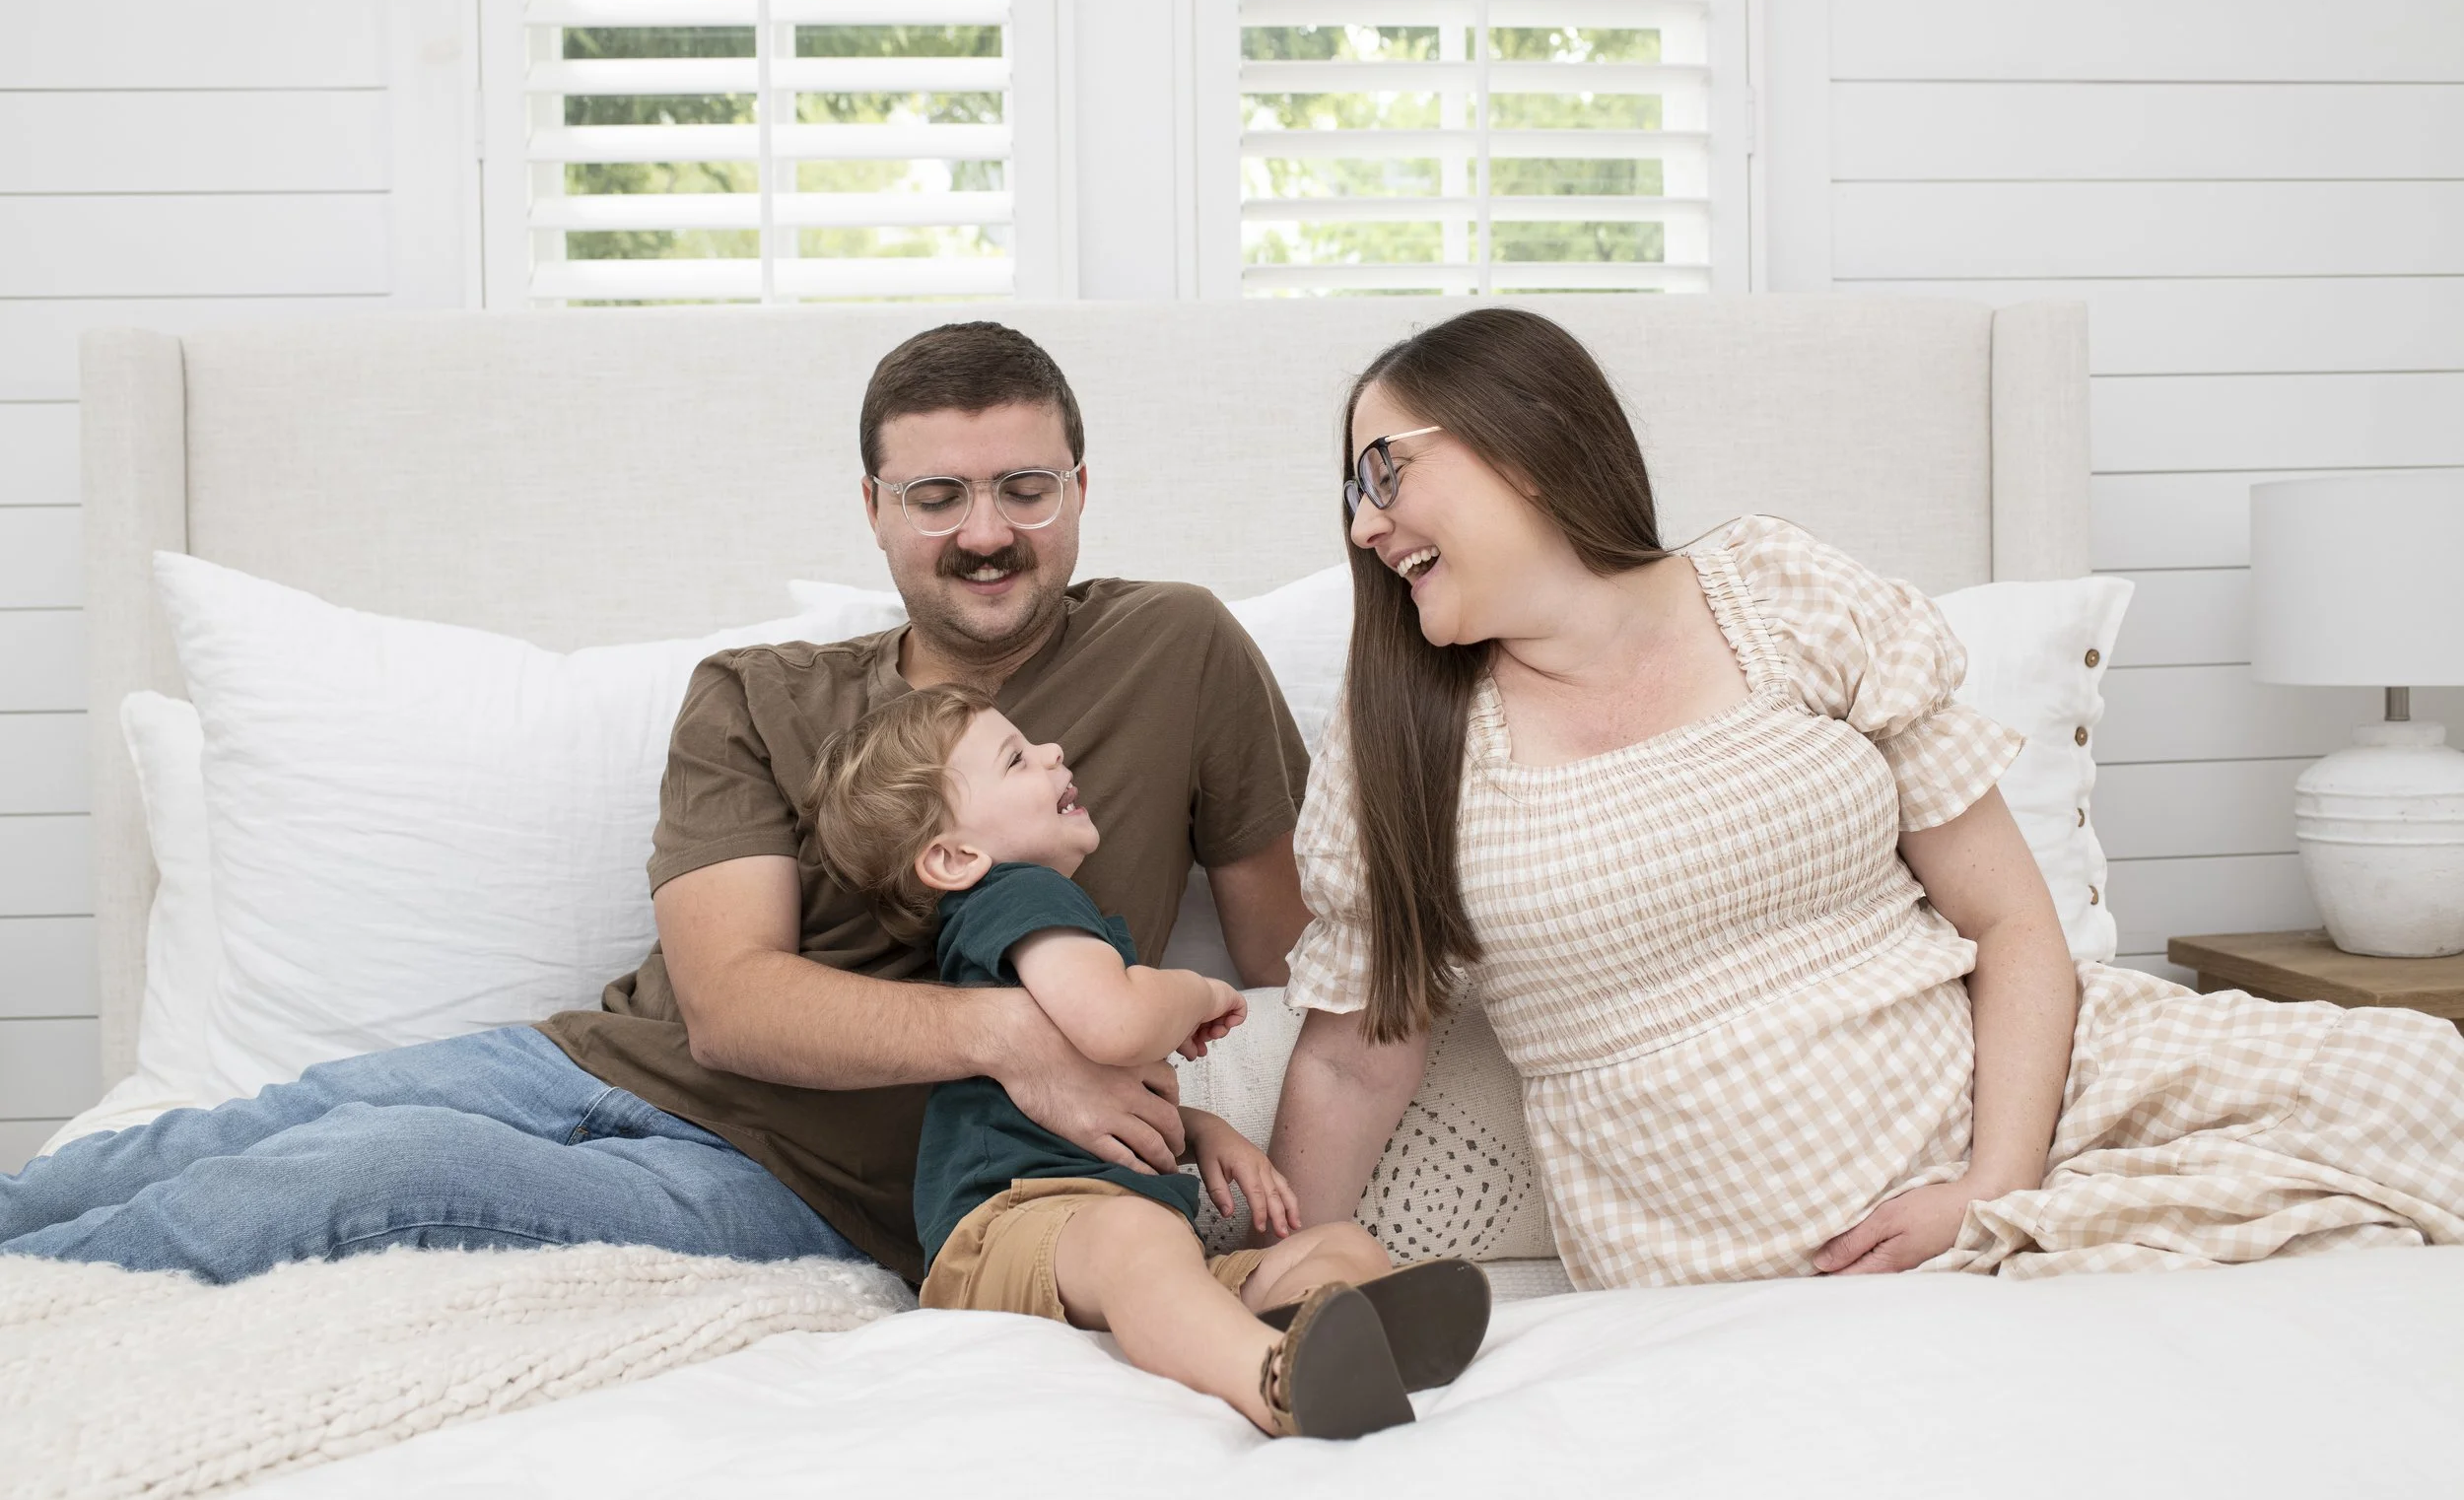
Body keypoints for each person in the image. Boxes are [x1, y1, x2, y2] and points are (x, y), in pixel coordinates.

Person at [3, 321, 1316, 1285]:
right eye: (938, 497)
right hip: (583, 1058)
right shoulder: (757, 692)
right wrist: (1019, 1037)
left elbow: (1290, 974)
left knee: (352, 1173)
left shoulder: (1178, 647)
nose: (986, 532)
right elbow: (731, 1003)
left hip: (785, 1179)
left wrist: (1204, 1137)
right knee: (244, 1124)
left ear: (1079, 489)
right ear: (873, 509)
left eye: (1024, 489)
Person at [1266, 306, 2464, 1287]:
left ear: (1524, 440)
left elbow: (2009, 918)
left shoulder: (1778, 593)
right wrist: (1277, 1277)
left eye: (1383, 470)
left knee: (2419, 1074)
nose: (1364, 523)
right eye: (1350, 492)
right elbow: (1351, 1063)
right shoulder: (1402, 743)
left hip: (2026, 1113)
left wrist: (1992, 1184)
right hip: (1754, 1258)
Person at [807, 685, 1488, 1437]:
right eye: (1016, 759)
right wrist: (1193, 990)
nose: (1052, 751)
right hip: (1005, 1234)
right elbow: (1115, 1025)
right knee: (1137, 1237)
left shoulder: (1048, 930)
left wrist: (1200, 1130)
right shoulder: (1016, 896)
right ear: (955, 856)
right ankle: (1272, 1378)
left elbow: (1098, 1098)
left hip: (1102, 1243)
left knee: (1335, 1244)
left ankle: (1313, 1327)